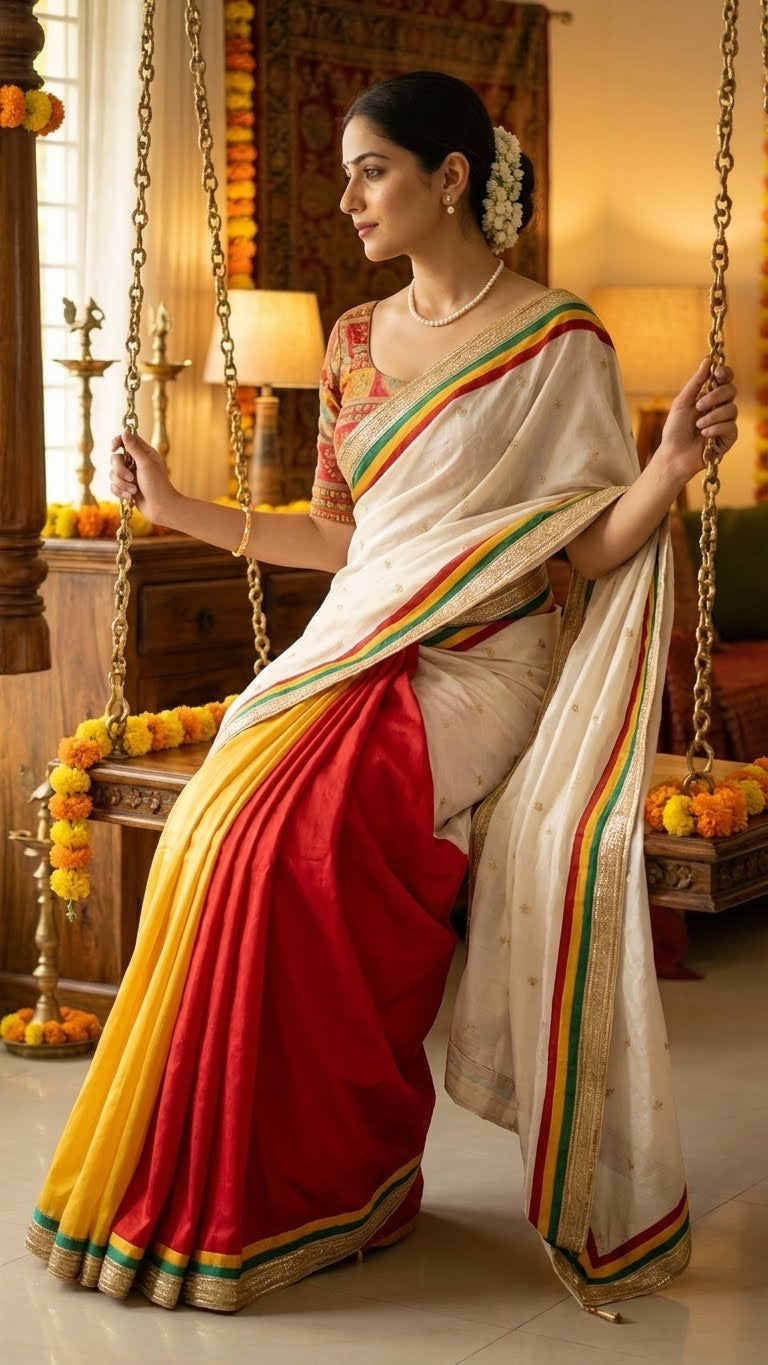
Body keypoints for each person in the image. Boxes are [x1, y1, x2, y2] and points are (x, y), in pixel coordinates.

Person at [27, 71, 737, 1315]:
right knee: (214, 836)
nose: (351, 198)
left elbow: (579, 551)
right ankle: (226, 1178)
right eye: (348, 173)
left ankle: (340, 1173)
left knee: (301, 842)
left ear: (449, 177)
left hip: (486, 661)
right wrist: (178, 507)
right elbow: (342, 537)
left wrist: (668, 466)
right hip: (362, 643)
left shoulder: (558, 341)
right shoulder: (353, 342)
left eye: (373, 171)